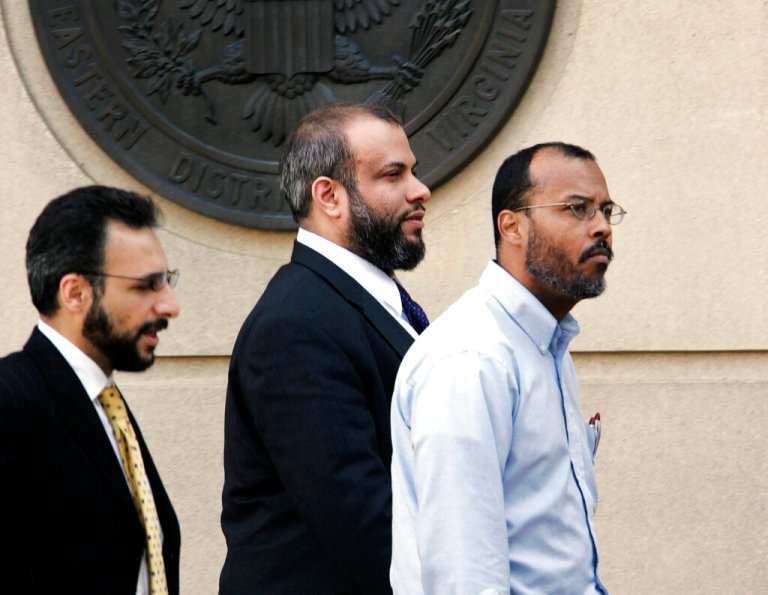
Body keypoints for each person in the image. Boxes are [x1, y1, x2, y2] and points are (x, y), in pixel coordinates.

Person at [390, 142, 626, 593]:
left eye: (606, 210)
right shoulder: (471, 360)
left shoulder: (545, 343)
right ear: (512, 226)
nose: (601, 228)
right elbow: (464, 575)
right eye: (577, 209)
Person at [220, 102, 431, 594]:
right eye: (393, 174)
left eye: (413, 172)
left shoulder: (366, 301)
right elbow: (362, 524)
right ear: (329, 196)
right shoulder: (295, 326)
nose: (420, 190)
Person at [0, 186, 182, 595]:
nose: (170, 306)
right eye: (146, 286)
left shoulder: (106, 406)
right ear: (75, 293)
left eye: (166, 282)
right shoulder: (12, 402)